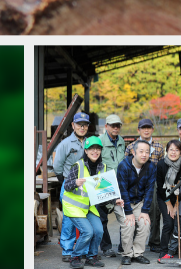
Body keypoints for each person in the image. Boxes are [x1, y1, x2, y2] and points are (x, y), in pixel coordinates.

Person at [65, 136, 123, 269]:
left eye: (98, 149)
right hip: (73, 205)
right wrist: (75, 182)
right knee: (87, 232)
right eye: (91, 148)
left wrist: (116, 200)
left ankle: (92, 257)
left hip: (88, 206)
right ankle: (75, 257)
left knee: (98, 230)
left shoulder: (103, 167)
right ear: (85, 150)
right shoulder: (78, 165)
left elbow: (104, 192)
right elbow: (67, 185)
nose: (95, 151)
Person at [54, 112, 92, 261]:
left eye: (85, 125)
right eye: (79, 124)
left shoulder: (89, 142)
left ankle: (83, 249)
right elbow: (57, 166)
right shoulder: (65, 144)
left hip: (86, 187)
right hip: (70, 185)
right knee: (69, 219)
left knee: (85, 216)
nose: (82, 127)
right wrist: (65, 181)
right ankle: (67, 251)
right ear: (73, 125)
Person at [116, 139, 155, 265]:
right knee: (129, 224)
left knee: (145, 223)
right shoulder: (124, 165)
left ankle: (138, 253)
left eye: (147, 152)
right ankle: (127, 254)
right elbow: (123, 190)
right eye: (141, 151)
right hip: (123, 202)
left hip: (139, 202)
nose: (144, 154)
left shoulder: (151, 167)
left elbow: (150, 190)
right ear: (133, 152)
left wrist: (145, 211)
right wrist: (128, 211)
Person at [133, 119, 164, 254]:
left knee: (155, 211)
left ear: (152, 129)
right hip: (135, 181)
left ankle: (154, 241)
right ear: (138, 130)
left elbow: (162, 166)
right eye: (143, 128)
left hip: (154, 181)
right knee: (134, 210)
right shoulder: (132, 146)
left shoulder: (159, 146)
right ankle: (132, 242)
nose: (146, 130)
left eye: (149, 128)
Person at [100, 115, 128, 258]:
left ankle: (124, 247)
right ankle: (106, 247)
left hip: (120, 184)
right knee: (103, 217)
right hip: (105, 183)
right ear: (106, 126)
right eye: (112, 125)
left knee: (123, 216)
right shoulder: (100, 141)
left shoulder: (122, 141)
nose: (115, 128)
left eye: (118, 125)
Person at [155, 140, 181, 262]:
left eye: (177, 150)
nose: (173, 152)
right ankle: (163, 250)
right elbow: (160, 185)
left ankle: (180, 248)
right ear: (167, 151)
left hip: (179, 197)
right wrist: (169, 204)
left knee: (180, 222)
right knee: (168, 222)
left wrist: (177, 205)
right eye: (171, 149)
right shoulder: (161, 164)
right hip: (164, 197)